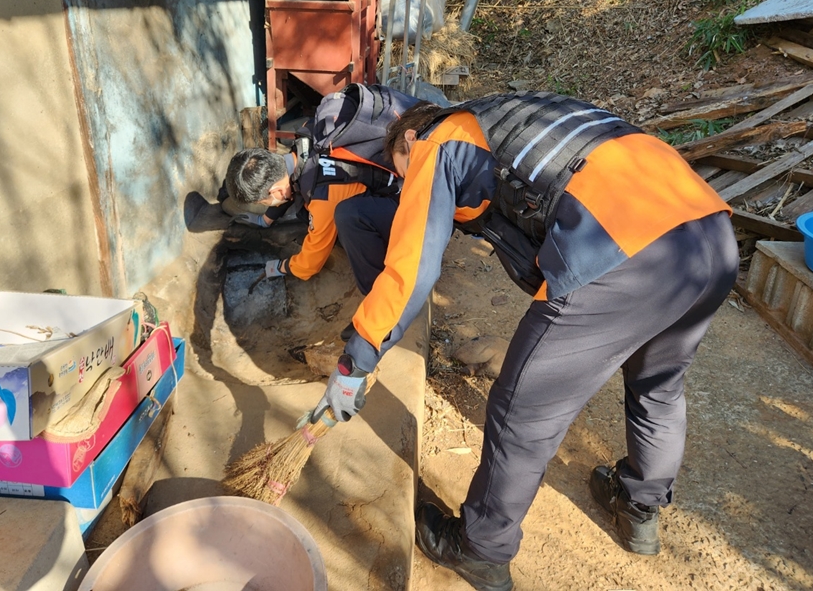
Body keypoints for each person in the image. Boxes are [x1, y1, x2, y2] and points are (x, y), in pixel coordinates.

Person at [310, 90, 738, 591]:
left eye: (403, 174)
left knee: (521, 412)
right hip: (708, 236)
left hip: (623, 253)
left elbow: (410, 269)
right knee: (658, 388)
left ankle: (481, 549)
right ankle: (638, 506)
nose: (407, 188)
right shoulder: (513, 120)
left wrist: (357, 360)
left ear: (410, 137)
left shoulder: (436, 141)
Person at [223, 83, 421, 296]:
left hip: (411, 204)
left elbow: (310, 264)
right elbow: (291, 182)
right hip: (402, 168)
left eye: (264, 202)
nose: (267, 206)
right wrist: (266, 220)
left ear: (275, 193)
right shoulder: (308, 135)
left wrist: (280, 267)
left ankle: (381, 294)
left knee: (346, 221)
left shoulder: (323, 196)